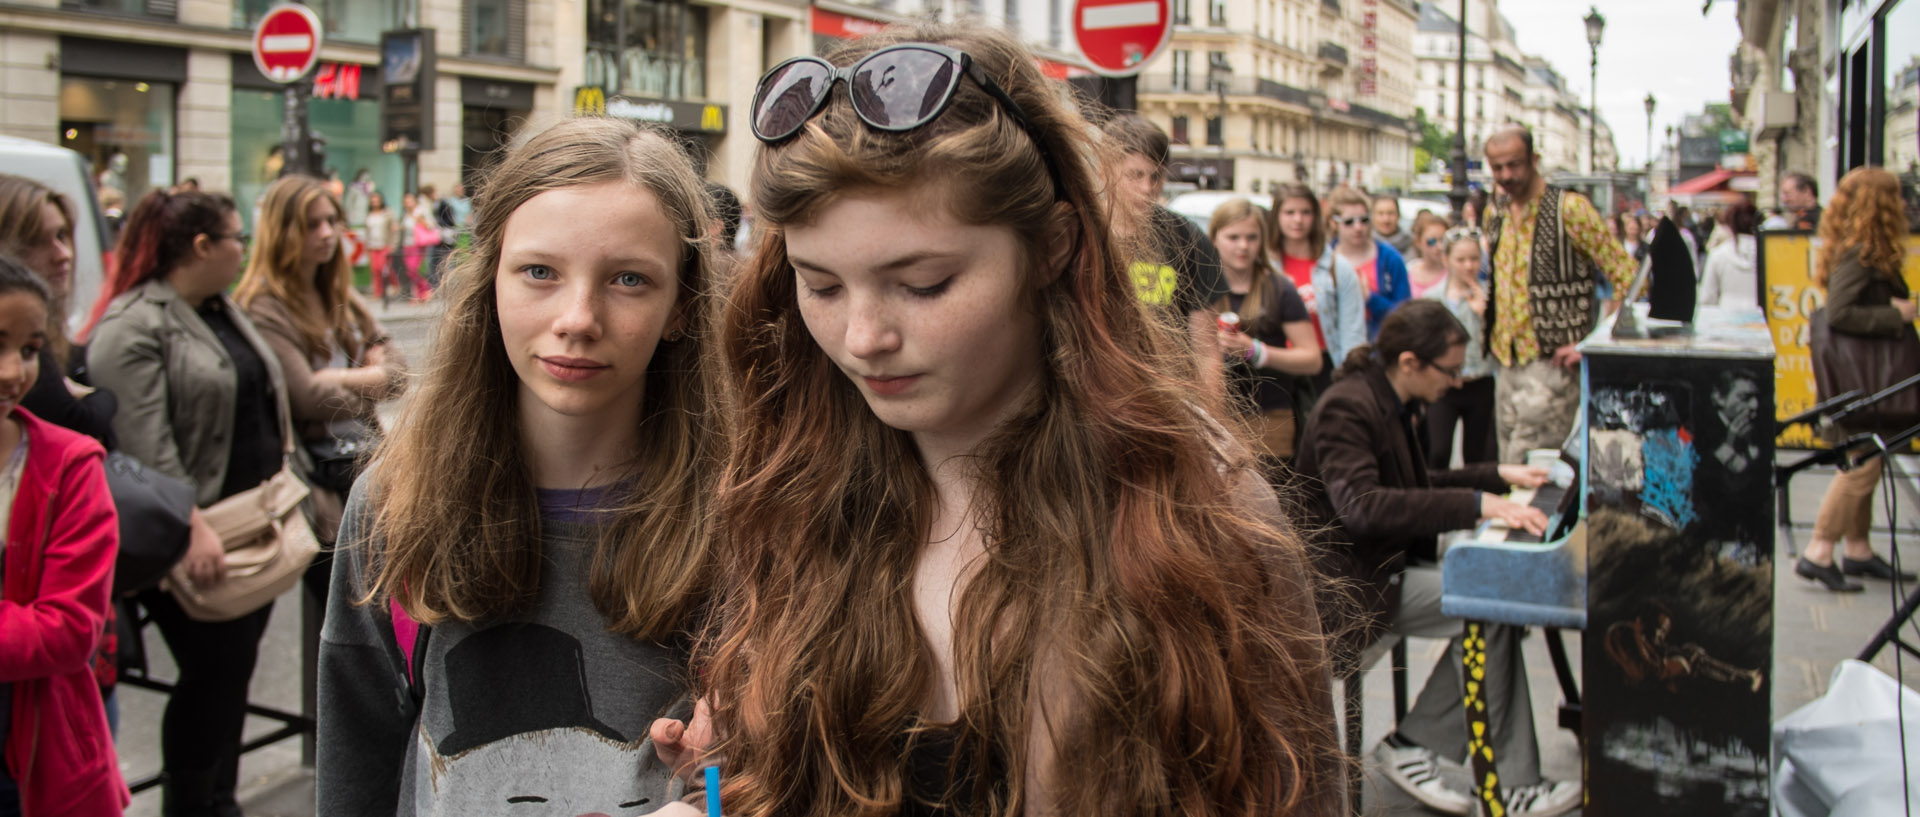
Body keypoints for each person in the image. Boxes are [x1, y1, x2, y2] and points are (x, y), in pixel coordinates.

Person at [650, 23, 1344, 817]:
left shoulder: (1194, 508)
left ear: (1052, 246)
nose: (862, 337)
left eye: (924, 283)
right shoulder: (795, 485)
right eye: (822, 285)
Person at [315, 117, 722, 816]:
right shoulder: (396, 503)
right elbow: (357, 771)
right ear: (490, 278)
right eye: (540, 271)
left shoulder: (745, 515)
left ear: (680, 304)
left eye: (628, 279)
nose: (577, 317)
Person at [1291, 299, 1579, 817]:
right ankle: (1458, 762)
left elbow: (1417, 487)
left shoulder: (1389, 399)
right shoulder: (1347, 407)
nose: (1459, 381)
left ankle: (1469, 764)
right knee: (1492, 605)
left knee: (1497, 603)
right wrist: (1477, 505)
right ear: (1410, 363)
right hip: (1348, 591)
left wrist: (1497, 478)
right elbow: (1365, 507)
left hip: (1379, 571)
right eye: (1451, 370)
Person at [85, 189, 291, 817]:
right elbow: (143, 446)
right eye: (236, 238)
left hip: (248, 525)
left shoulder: (220, 308)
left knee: (230, 677)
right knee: (212, 679)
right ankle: (196, 804)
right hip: (192, 538)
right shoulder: (133, 325)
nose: (243, 251)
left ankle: (218, 798)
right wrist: (190, 527)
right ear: (202, 246)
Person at [0, 256, 128, 817]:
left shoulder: (69, 465)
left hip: (31, 758)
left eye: (30, 350)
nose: (12, 371)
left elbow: (69, 630)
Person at [233, 174, 407, 550]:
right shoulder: (264, 305)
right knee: (334, 587)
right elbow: (305, 395)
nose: (327, 233)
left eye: (332, 221)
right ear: (281, 231)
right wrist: (368, 383)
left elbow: (399, 374)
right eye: (312, 225)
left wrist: (334, 378)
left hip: (364, 458)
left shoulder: (338, 292)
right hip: (314, 471)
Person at [1481, 125, 1636, 463]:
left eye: (1514, 164)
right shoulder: (1496, 212)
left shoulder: (1570, 209)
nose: (1505, 175)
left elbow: (1628, 276)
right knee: (1510, 466)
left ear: (1534, 159)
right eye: (1497, 167)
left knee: (1531, 466)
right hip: (1505, 362)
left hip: (1551, 365)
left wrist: (1596, 340)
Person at [1798, 166, 1918, 592]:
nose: (1904, 203)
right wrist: (1896, 315)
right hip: (1867, 380)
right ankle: (1819, 550)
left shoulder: (1857, 248)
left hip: (1865, 379)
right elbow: (1840, 311)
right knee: (1862, 466)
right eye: (1896, 196)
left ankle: (1858, 550)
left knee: (1869, 457)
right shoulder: (1862, 252)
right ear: (1879, 205)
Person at [1102, 113, 1232, 400]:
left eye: (1156, 176)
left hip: (1166, 399)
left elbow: (1206, 351)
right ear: (1105, 170)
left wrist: (1210, 427)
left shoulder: (1188, 238)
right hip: (1094, 400)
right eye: (1135, 175)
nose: (1148, 189)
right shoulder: (1081, 230)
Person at [1208, 198, 1323, 462]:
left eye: (1252, 237)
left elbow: (1312, 359)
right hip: (1214, 417)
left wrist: (1256, 351)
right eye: (1233, 237)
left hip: (1271, 419)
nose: (1243, 246)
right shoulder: (1199, 285)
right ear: (1214, 238)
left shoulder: (1279, 288)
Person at [1267, 183, 1367, 370]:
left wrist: (1349, 378)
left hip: (1325, 367)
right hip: (1276, 368)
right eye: (1289, 212)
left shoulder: (1338, 268)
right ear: (1276, 216)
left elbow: (1353, 334)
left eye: (1306, 212)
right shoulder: (1266, 267)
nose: (1298, 219)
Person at [1424, 228, 1497, 469]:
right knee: (1438, 450)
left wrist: (1485, 314)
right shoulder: (1433, 298)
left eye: (1474, 259)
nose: (1468, 266)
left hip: (1480, 380)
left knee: (1478, 454)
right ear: (1446, 260)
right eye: (1461, 259)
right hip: (1443, 384)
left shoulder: (1490, 296)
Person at [1326, 186, 1411, 337]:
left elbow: (1406, 314)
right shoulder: (1324, 259)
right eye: (1349, 222)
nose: (1358, 228)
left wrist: (1370, 298)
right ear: (1334, 223)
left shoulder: (1390, 258)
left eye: (1364, 220)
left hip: (1379, 344)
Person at [1698, 199, 1759, 308]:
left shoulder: (1718, 254)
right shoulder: (1768, 255)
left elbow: (1707, 297)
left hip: (1726, 315)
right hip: (1761, 316)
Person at [361, 190, 406, 303]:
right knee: (375, 270)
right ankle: (378, 292)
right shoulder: (369, 215)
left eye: (377, 199)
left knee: (384, 268)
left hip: (385, 245)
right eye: (372, 200)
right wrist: (366, 245)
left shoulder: (388, 213)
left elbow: (396, 230)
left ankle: (395, 285)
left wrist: (393, 245)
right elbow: (367, 232)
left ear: (381, 201)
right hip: (373, 246)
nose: (374, 202)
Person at [1406, 211, 1450, 299]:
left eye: (1443, 240)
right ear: (1418, 241)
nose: (1439, 247)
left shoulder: (1451, 276)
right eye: (1431, 241)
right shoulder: (1408, 269)